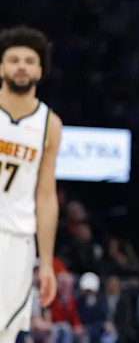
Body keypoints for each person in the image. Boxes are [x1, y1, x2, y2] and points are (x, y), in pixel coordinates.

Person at [0, 26, 61, 343]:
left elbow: (46, 196)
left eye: (28, 60)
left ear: (40, 69)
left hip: (19, 241)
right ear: (1, 67)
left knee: (6, 333)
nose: (20, 66)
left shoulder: (49, 123)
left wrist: (46, 262)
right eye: (13, 59)